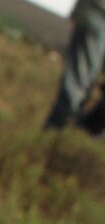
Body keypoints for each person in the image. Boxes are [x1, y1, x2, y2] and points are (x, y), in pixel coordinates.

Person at [45, 0, 105, 135]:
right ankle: (56, 138)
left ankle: (73, 136)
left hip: (96, 13)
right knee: (76, 87)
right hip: (97, 14)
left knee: (76, 85)